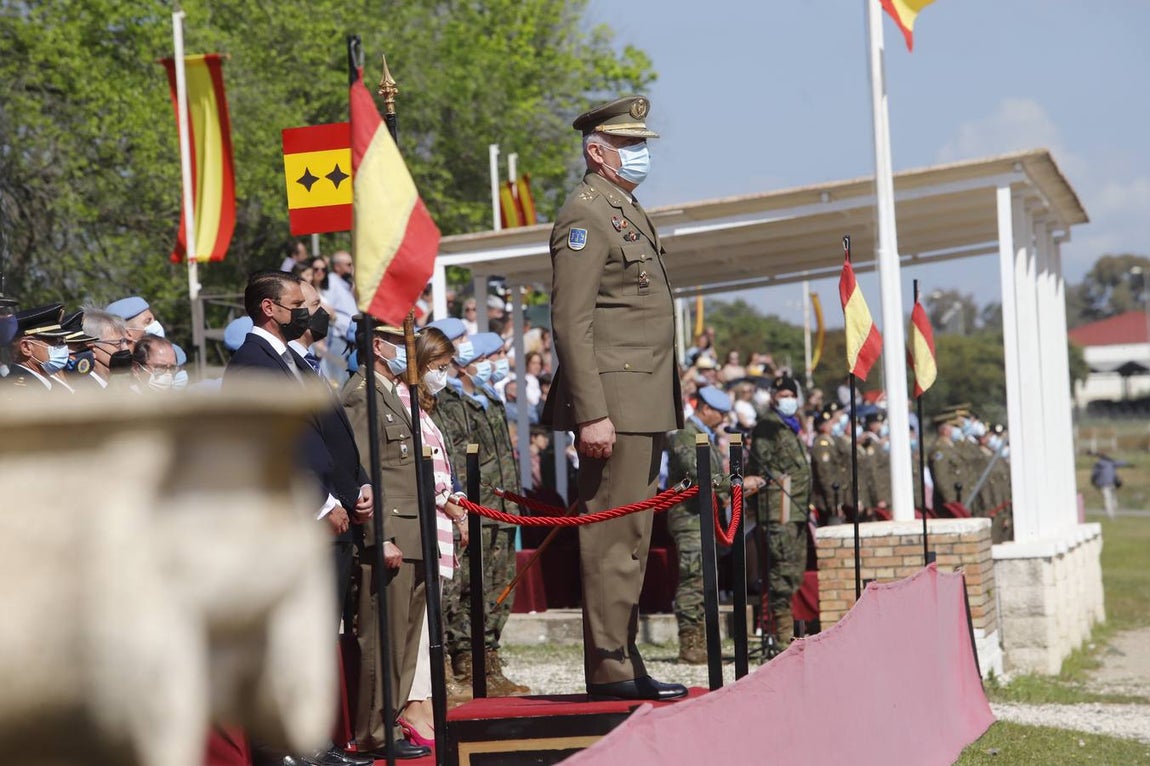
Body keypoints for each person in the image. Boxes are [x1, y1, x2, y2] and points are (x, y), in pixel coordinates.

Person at [226, 271, 407, 766]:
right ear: (269, 308)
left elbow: (331, 440)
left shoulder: (292, 362)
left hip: (334, 519)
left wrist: (358, 488)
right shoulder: (252, 364)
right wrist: (320, 504)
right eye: (297, 303)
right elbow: (272, 446)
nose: (307, 312)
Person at [543, 95, 686, 701]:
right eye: (630, 145)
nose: (641, 154)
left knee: (631, 538)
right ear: (597, 152)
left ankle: (623, 659)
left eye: (643, 144)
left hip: (643, 400)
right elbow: (570, 321)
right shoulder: (587, 215)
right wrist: (592, 412)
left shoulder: (622, 208)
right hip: (615, 405)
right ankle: (610, 668)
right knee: (611, 539)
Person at [341, 322, 451, 756]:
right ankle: (375, 733)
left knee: (405, 640)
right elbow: (365, 472)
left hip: (416, 531)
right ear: (377, 345)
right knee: (383, 639)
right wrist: (379, 536)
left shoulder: (393, 392)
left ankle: (392, 722)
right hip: (391, 535)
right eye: (398, 340)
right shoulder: (361, 394)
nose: (408, 348)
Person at [443, 331, 529, 696]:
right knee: (467, 588)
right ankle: (464, 662)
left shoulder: (489, 398)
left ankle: (488, 659)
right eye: (494, 355)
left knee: (498, 588)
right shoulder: (450, 401)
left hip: (501, 507)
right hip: (477, 507)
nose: (500, 362)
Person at [665, 386, 731, 664]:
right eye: (721, 413)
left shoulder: (706, 437)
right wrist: (734, 484)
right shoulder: (685, 434)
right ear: (706, 409)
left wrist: (728, 492)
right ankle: (689, 643)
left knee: (705, 578)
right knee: (693, 579)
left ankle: (701, 641)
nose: (725, 418)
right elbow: (698, 473)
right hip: (689, 518)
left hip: (705, 518)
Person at [745, 375, 811, 649]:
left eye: (790, 394)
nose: (787, 399)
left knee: (794, 570)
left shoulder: (790, 426)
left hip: (795, 509)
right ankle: (782, 636)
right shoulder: (768, 427)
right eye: (782, 394)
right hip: (778, 508)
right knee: (781, 570)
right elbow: (764, 470)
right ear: (773, 397)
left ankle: (791, 632)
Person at [1, 303, 71, 393]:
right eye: (53, 341)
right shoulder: (19, 392)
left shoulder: (44, 384)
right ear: (26, 348)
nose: (62, 346)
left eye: (61, 341)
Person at [83, 307, 132, 389]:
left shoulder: (127, 386)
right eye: (118, 343)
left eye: (125, 341)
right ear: (92, 350)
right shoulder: (83, 390)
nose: (126, 349)